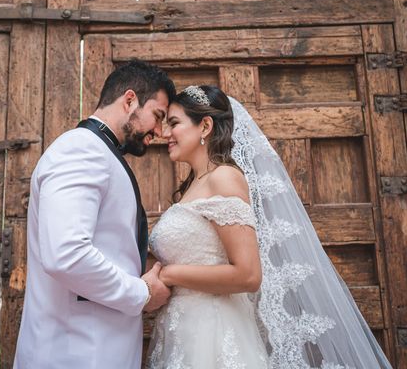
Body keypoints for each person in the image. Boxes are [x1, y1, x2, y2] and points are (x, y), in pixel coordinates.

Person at [147, 85, 392, 369]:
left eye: (174, 123)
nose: (165, 133)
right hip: (184, 330)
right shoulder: (194, 185)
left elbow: (248, 274)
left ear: (205, 126)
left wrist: (170, 274)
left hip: (214, 333)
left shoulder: (223, 179)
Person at [13, 60, 176, 369]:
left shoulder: (100, 152)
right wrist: (141, 294)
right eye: (157, 116)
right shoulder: (80, 150)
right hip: (73, 353)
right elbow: (67, 254)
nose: (159, 130)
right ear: (130, 101)